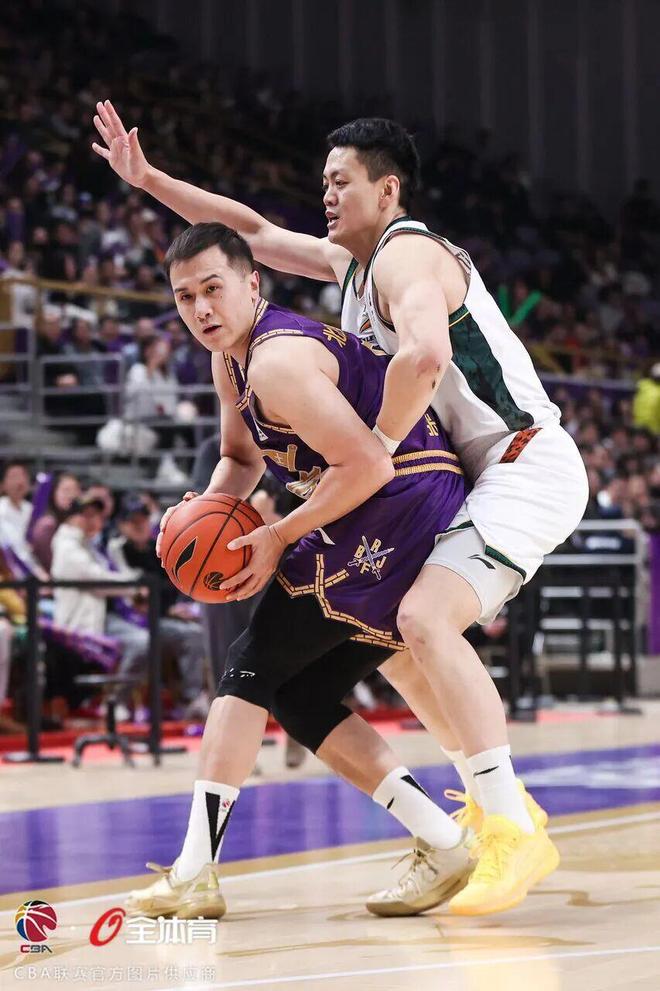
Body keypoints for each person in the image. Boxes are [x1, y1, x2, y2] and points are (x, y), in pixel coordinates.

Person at [93, 104, 578, 916]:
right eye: (322, 180)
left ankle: (506, 823)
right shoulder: (346, 273)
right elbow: (247, 231)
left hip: (518, 459)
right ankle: (474, 819)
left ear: (387, 191)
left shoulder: (407, 255)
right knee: (394, 651)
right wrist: (148, 181)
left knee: (415, 622)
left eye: (341, 181)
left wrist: (368, 455)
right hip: (454, 472)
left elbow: (425, 355)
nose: (325, 193)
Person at [124, 222, 516, 920]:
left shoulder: (276, 360)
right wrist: (200, 514)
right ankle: (444, 840)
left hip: (401, 500)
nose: (201, 308)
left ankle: (194, 872)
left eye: (213, 288)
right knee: (299, 696)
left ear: (252, 283)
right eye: (185, 297)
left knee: (251, 664)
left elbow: (368, 463)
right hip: (374, 505)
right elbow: (240, 460)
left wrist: (277, 536)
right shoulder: (229, 362)